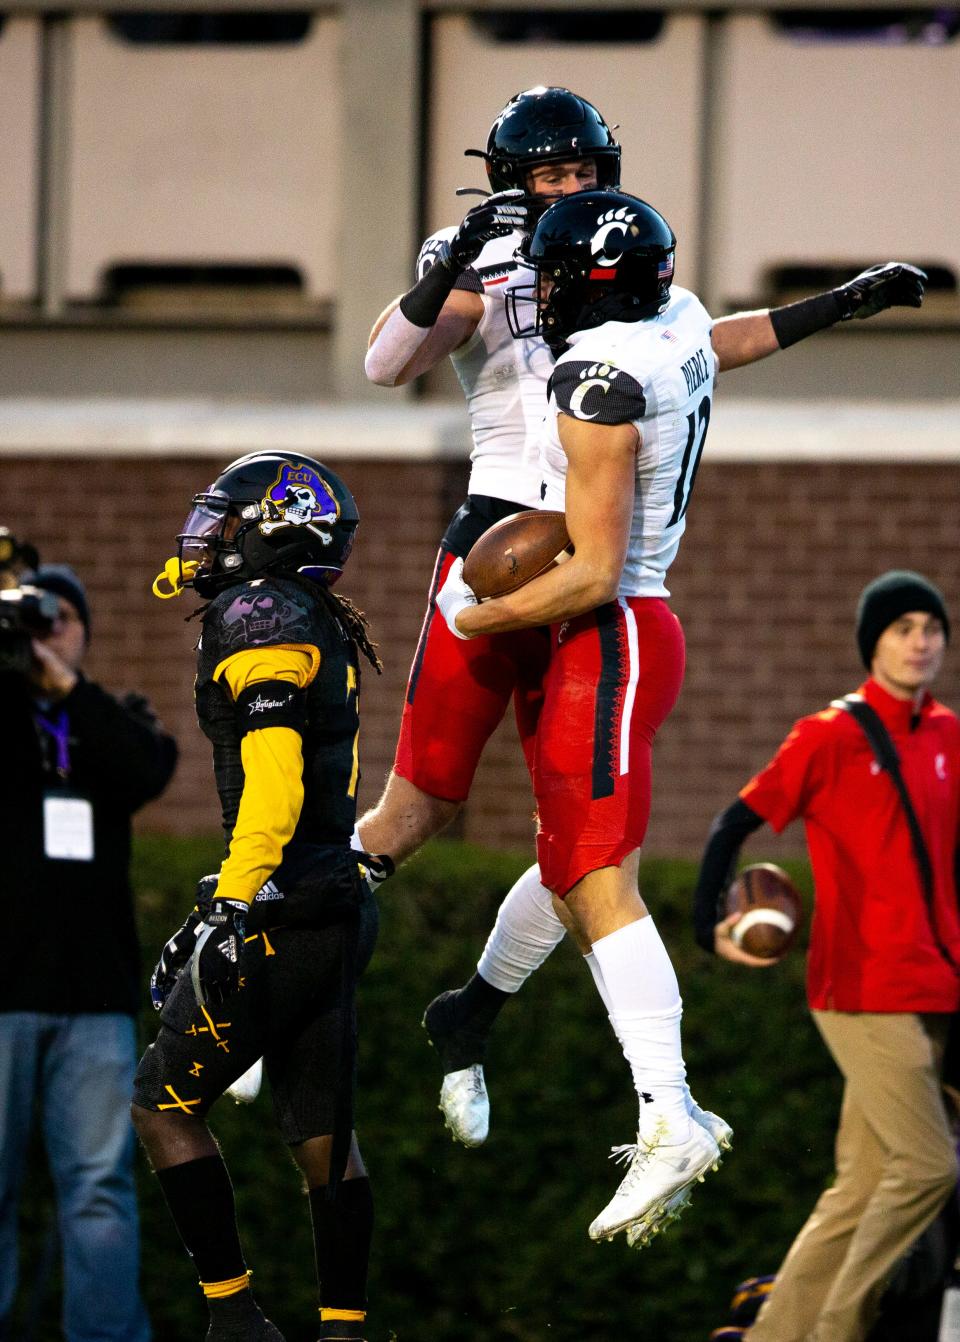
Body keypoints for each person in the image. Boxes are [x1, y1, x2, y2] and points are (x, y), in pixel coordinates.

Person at [363, 84, 928, 1153]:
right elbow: (385, 364)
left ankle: (483, 1018)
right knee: (419, 806)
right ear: (507, 178)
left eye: (584, 169)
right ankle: (259, 979)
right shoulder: (486, 252)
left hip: (589, 557)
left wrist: (837, 302)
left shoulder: (630, 270)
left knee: (579, 843)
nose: (569, 188)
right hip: (502, 542)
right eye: (549, 173)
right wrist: (449, 263)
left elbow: (714, 340)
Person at [133, 451, 385, 1342]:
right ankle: (344, 1332)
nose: (214, 535)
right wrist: (186, 570)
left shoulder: (260, 611)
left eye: (232, 521)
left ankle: (234, 1317)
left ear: (277, 527)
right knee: (322, 1140)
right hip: (335, 905)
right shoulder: (301, 607)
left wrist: (228, 906)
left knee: (162, 1109)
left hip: (277, 910)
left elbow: (273, 783)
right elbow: (186, 575)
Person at [691, 569, 960, 1341]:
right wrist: (704, 922)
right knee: (928, 1169)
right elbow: (729, 826)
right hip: (862, 988)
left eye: (931, 628)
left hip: (935, 987)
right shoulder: (828, 736)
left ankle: (776, 1335)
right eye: (903, 628)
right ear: (872, 642)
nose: (921, 641)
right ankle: (840, 1326)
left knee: (863, 1185)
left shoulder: (948, 735)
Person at [0, 561, 177, 1341]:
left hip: (94, 1001)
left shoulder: (109, 717)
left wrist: (68, 684)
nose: (47, 632)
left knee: (99, 1188)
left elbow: (150, 767)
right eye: (33, 620)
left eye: (61, 617)